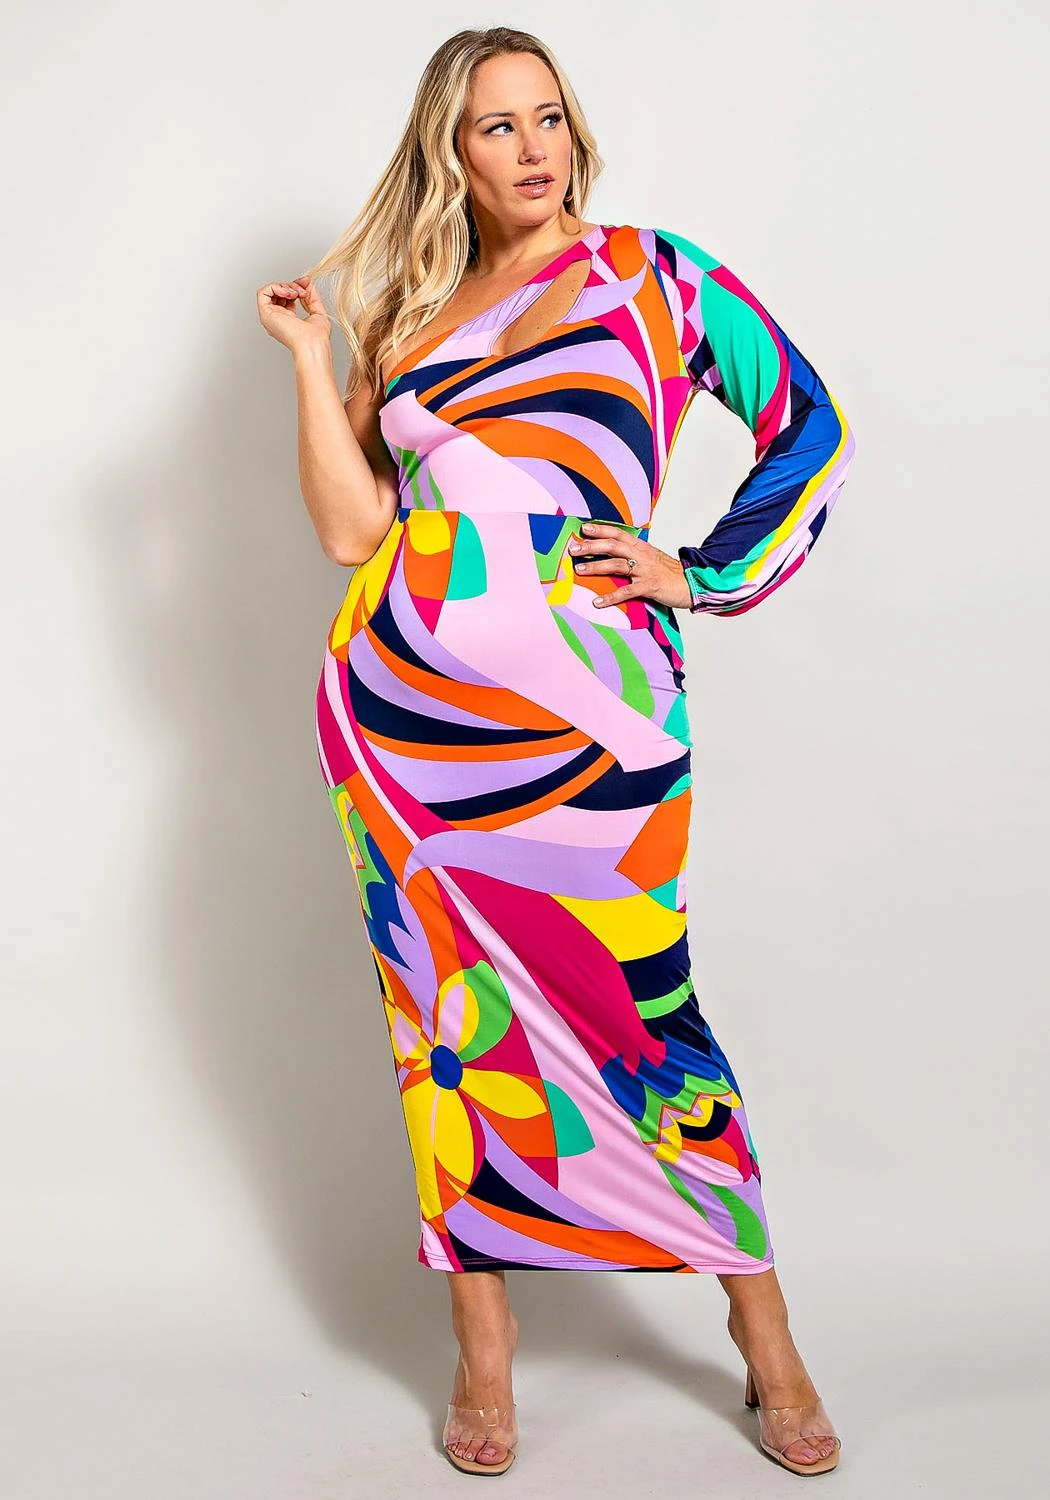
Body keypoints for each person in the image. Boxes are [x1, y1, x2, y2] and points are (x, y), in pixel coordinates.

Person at [256, 24, 855, 1482]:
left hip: (594, 732)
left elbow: (810, 426)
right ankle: (483, 1344)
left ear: (574, 132)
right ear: (449, 153)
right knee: (445, 1033)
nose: (530, 150)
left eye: (547, 120)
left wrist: (697, 570)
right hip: (405, 733)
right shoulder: (411, 316)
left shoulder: (658, 280)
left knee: (646, 1014)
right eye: (494, 128)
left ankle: (765, 1335)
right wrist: (314, 359)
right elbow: (351, 529)